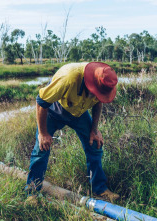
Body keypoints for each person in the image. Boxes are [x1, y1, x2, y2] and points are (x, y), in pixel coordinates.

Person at [26, 62, 120, 202]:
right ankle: (32, 193)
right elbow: (41, 101)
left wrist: (94, 130)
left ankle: (99, 189)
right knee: (41, 149)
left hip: (78, 113)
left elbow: (98, 102)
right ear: (90, 83)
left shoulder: (106, 83)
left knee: (94, 144)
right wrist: (43, 133)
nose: (97, 95)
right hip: (54, 109)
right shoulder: (69, 78)